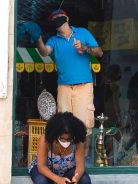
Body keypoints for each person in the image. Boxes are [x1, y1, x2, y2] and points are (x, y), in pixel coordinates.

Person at [35, 9, 103, 158]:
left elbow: (99, 52)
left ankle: (84, 159)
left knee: (85, 124)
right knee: (64, 125)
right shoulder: (54, 40)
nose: (58, 23)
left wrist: (85, 48)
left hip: (84, 86)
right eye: (55, 21)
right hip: (64, 87)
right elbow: (44, 52)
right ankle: (67, 159)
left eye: (60, 19)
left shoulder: (82, 33)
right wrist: (38, 38)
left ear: (67, 18)